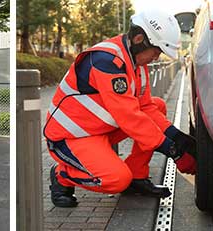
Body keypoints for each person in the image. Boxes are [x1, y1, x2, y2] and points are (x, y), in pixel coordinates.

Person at [44, 9, 198, 208]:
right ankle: (62, 175)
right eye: (157, 51)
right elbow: (129, 118)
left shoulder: (135, 61)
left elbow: (146, 108)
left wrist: (179, 138)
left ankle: (137, 176)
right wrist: (174, 152)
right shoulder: (106, 61)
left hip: (98, 128)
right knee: (116, 179)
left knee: (157, 106)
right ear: (140, 39)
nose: (157, 58)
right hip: (71, 136)